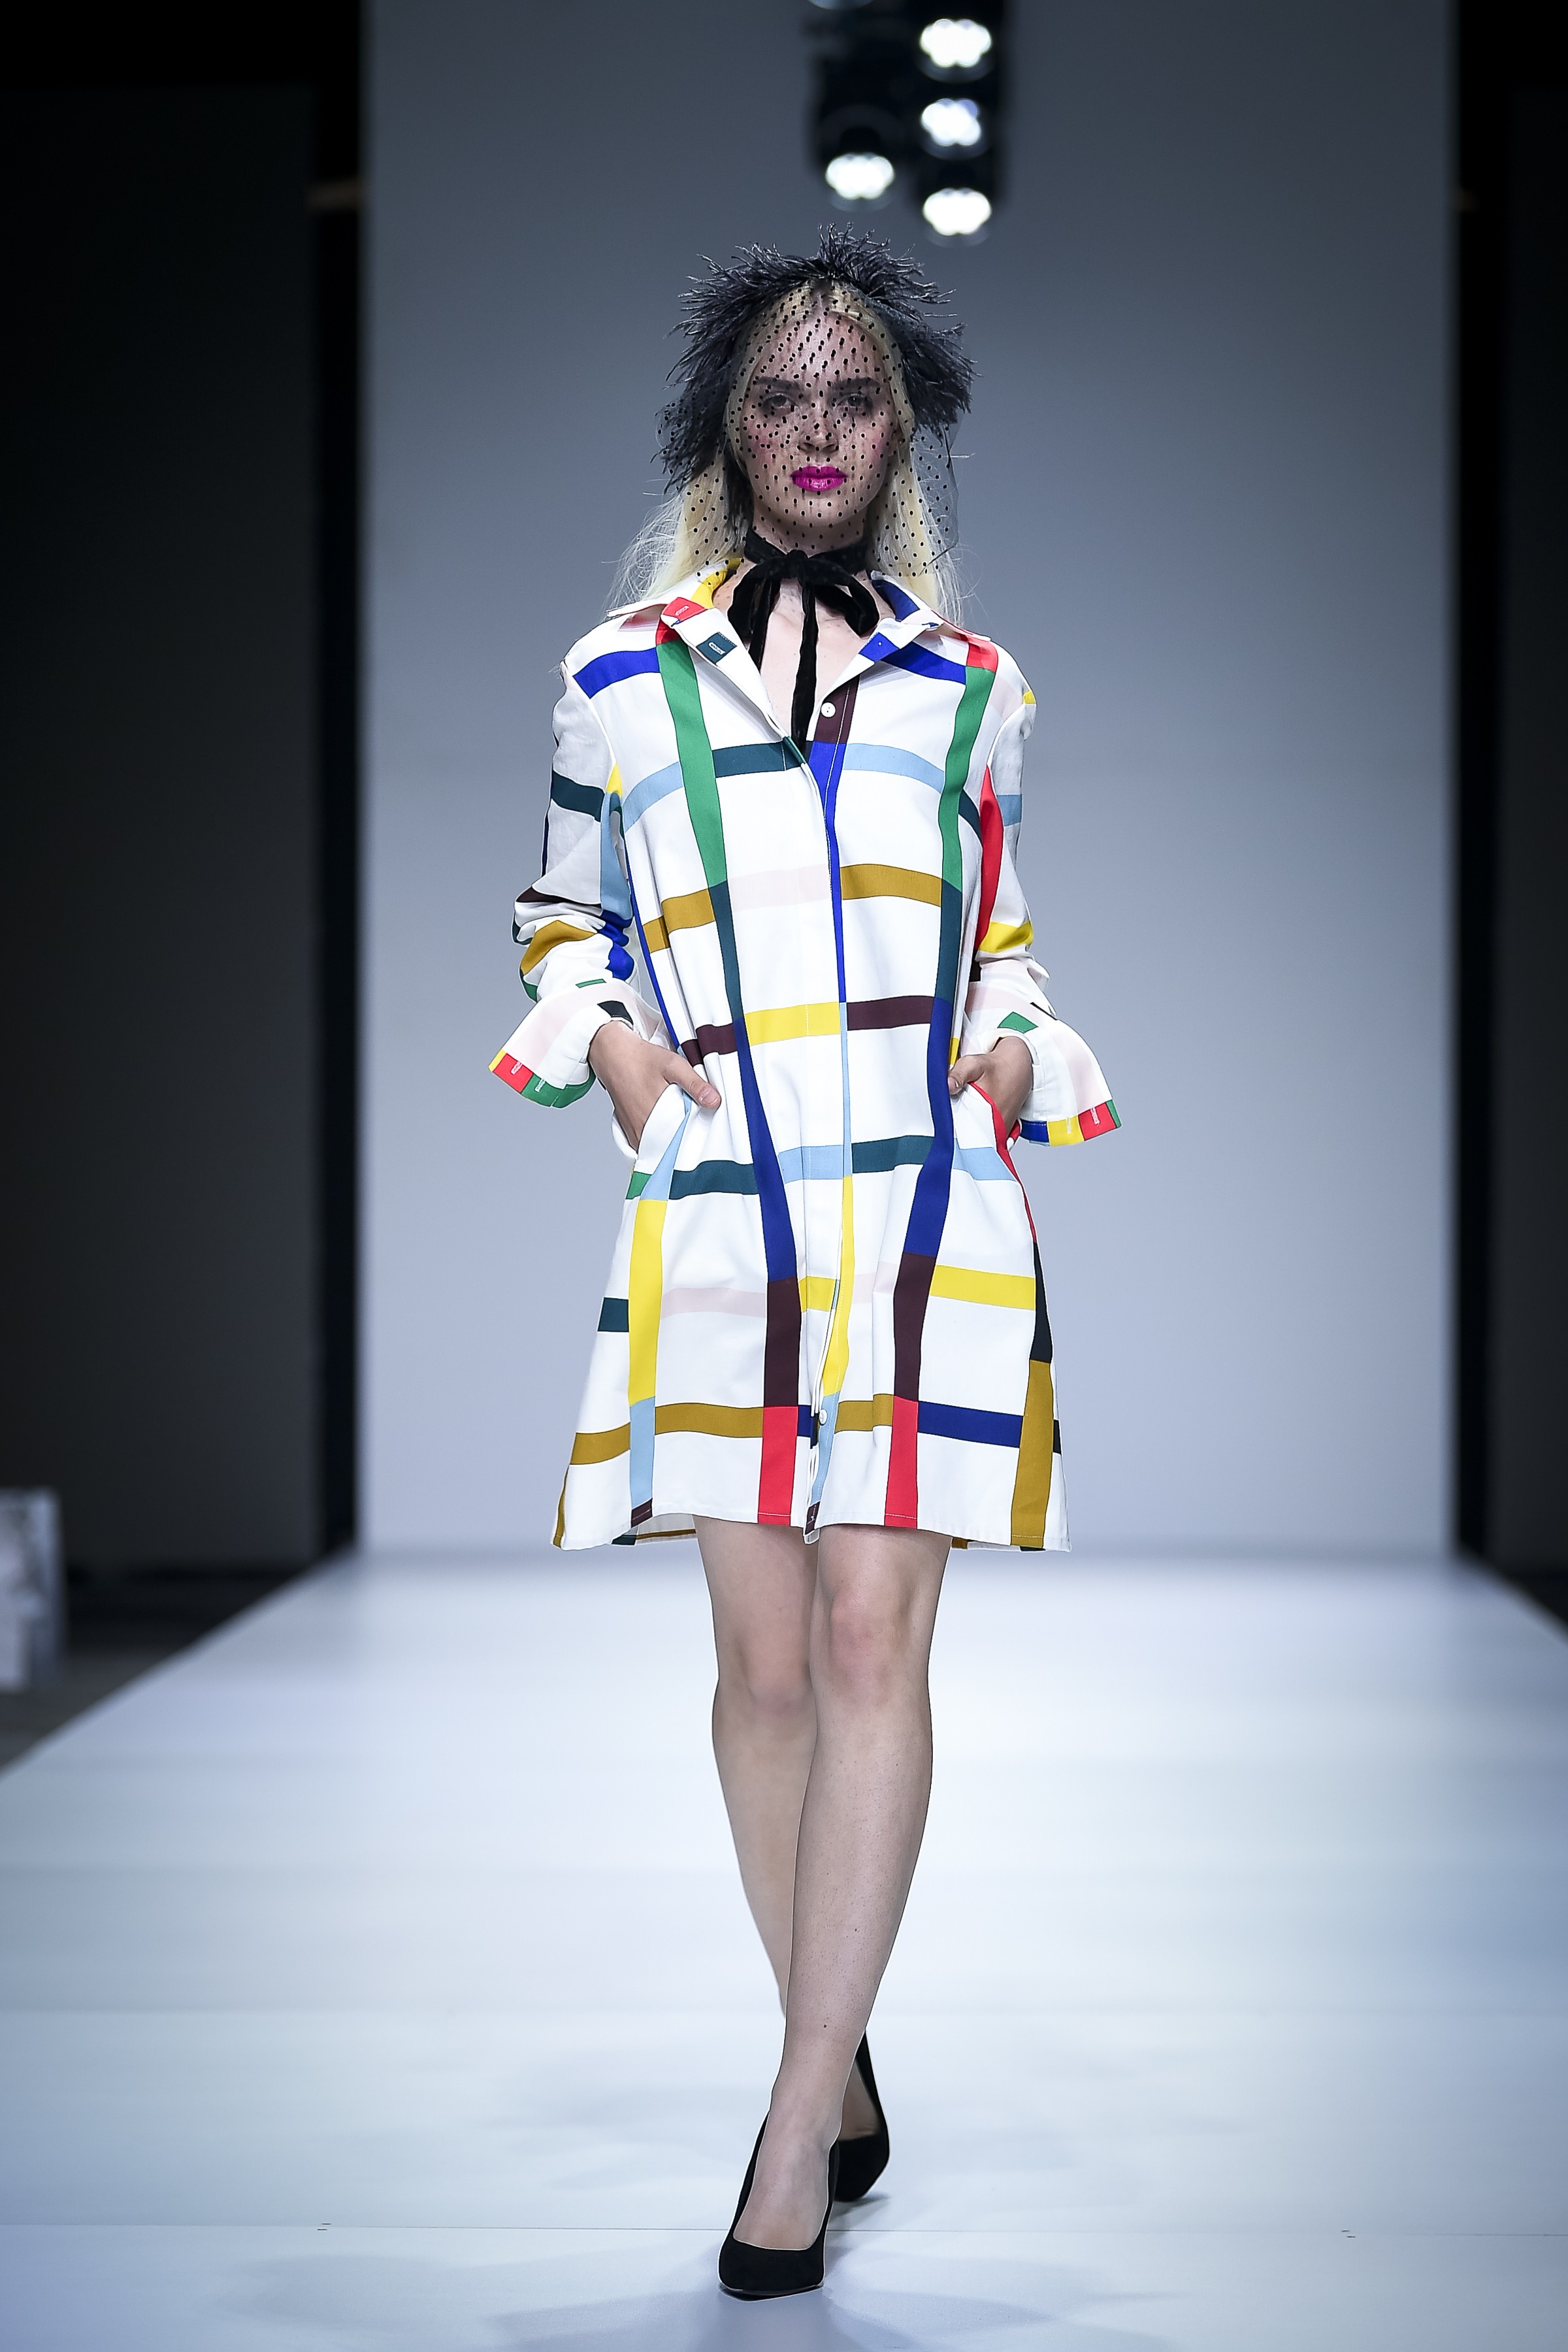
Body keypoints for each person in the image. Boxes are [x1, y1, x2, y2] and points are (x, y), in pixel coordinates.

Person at [491, 227, 1117, 2300]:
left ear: (903, 431)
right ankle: (833, 2060)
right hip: (729, 1200)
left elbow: (1002, 939)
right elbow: (561, 921)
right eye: (781, 395)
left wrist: (1015, 1041)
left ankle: (790, 2131)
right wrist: (610, 1048)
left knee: (869, 1650)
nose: (819, 429)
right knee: (761, 1675)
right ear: (725, 428)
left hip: (928, 1201)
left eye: (856, 397)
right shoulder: (617, 678)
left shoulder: (974, 690)